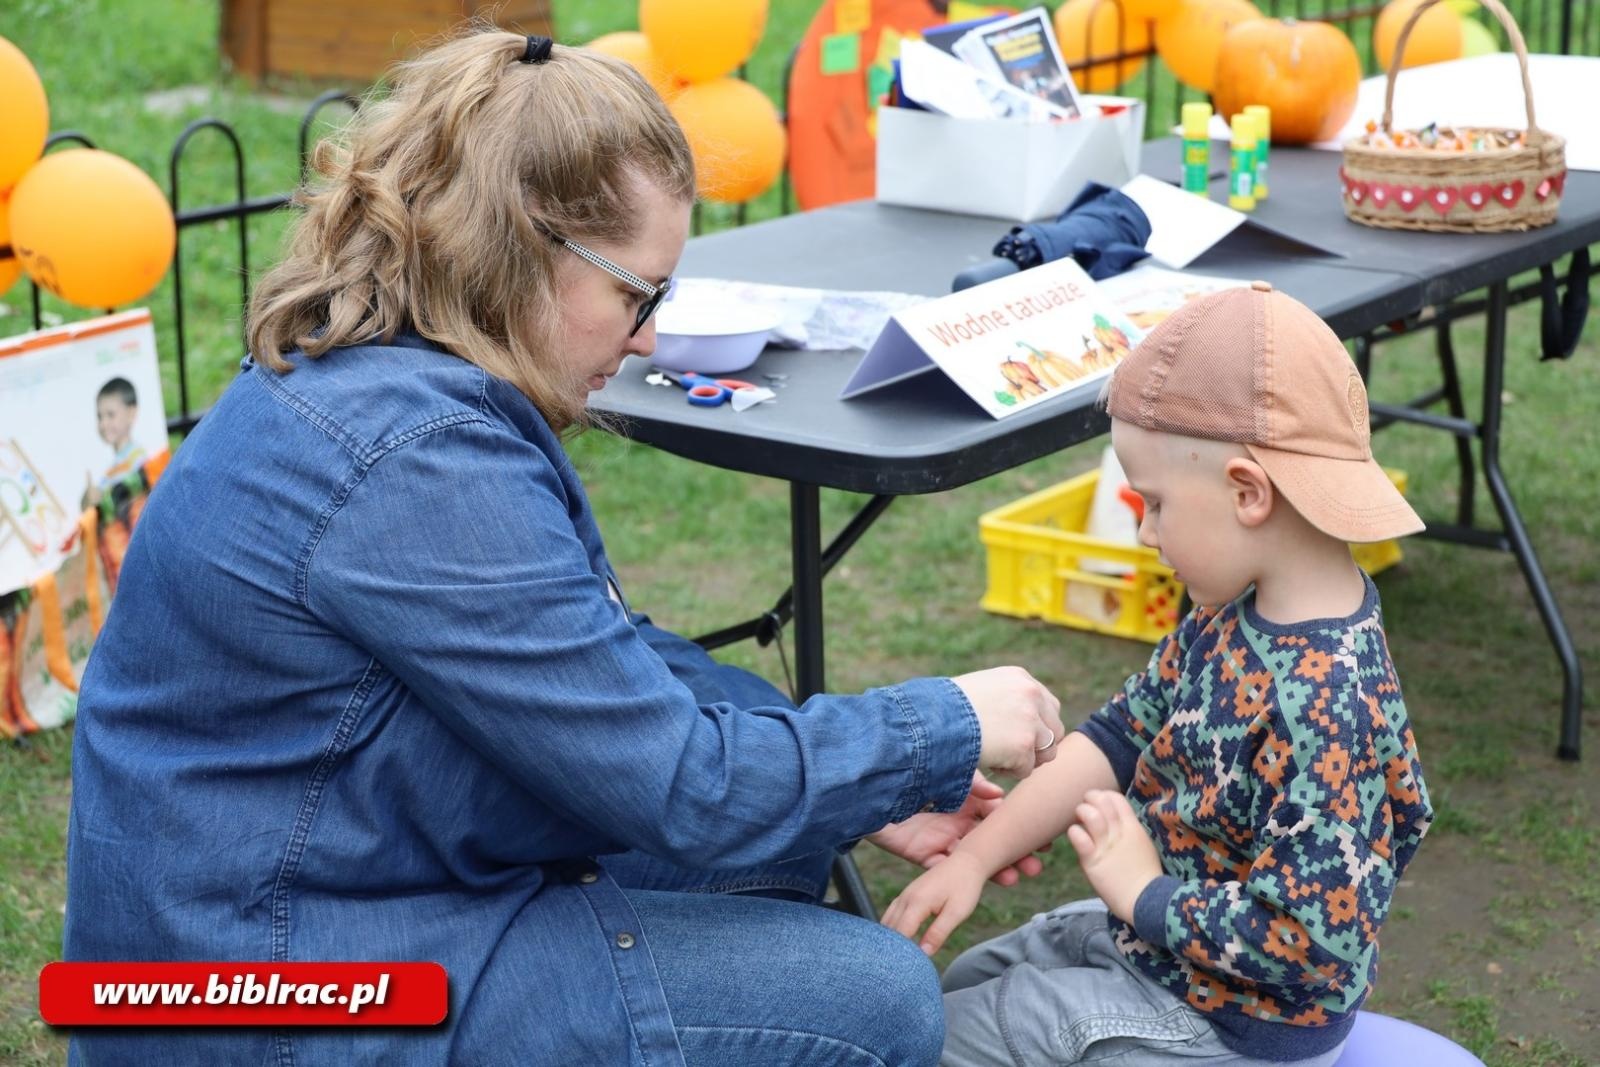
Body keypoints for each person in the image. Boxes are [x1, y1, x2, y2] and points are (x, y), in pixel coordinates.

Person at [62, 29, 1068, 1067]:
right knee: (878, 996)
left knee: (789, 835)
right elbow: (684, 788)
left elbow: (599, 658)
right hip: (267, 985)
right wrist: (938, 726)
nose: (646, 338)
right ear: (524, 246)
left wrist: (877, 785)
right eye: (639, 295)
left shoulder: (387, 373)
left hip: (309, 898)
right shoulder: (416, 460)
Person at [883, 281, 1435, 1066]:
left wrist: (1145, 893)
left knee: (947, 1035)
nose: (1144, 532)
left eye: (1156, 503)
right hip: (1158, 950)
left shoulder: (1329, 708)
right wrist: (974, 856)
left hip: (1230, 1024)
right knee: (966, 979)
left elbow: (1306, 943)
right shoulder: (1232, 609)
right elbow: (1117, 736)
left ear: (1247, 491)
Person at [81, 377, 146, 509]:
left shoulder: (138, 458)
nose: (104, 424)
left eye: (110, 415)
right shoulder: (111, 469)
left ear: (131, 414)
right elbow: (93, 505)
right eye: (100, 417)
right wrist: (88, 498)